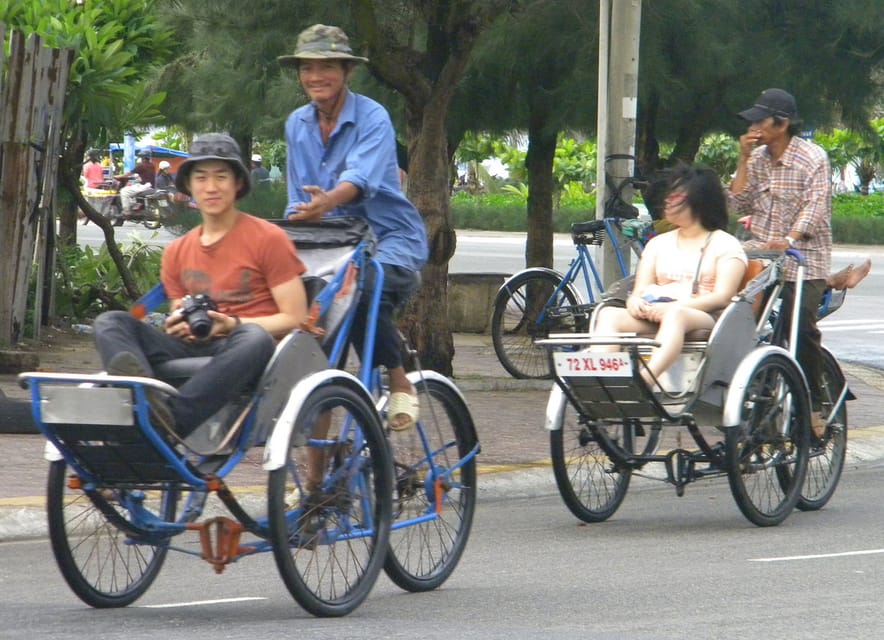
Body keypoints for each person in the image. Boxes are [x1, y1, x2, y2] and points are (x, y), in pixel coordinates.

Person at [93, 133, 308, 440]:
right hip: (192, 344)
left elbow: (295, 317)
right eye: (201, 177)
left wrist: (231, 324)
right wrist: (177, 322)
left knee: (255, 338)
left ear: (237, 184)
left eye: (221, 176)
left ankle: (172, 420)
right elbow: (180, 311)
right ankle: (143, 399)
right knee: (110, 322)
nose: (211, 187)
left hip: (245, 348)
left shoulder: (269, 239)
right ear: (189, 186)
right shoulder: (177, 251)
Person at [278, 24, 428, 431]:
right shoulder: (297, 123)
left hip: (389, 241)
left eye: (326, 66)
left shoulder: (372, 116)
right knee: (313, 351)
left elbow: (359, 177)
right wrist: (299, 216)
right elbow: (297, 198)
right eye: (307, 67)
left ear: (347, 71)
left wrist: (327, 201)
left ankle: (399, 381)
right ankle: (314, 486)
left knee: (360, 286)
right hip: (331, 247)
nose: (315, 76)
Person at [728, 88, 832, 437]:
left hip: (804, 260)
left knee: (799, 326)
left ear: (782, 123)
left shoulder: (813, 157)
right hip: (759, 256)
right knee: (733, 316)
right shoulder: (757, 160)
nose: (754, 126)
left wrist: (788, 240)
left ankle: (814, 403)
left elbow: (814, 209)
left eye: (760, 119)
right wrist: (743, 158)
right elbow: (737, 204)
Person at [593, 164, 747, 388]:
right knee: (608, 315)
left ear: (699, 201)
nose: (667, 201)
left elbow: (722, 297)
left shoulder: (725, 245)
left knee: (677, 316)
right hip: (655, 312)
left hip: (703, 316)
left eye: (675, 196)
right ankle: (604, 383)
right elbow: (641, 288)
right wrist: (635, 301)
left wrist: (675, 307)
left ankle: (643, 382)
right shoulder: (658, 243)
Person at [115, 152, 156, 217]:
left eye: (141, 158)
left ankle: (126, 210)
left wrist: (119, 176)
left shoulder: (141, 166)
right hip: (150, 186)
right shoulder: (152, 165)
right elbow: (144, 175)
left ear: (143, 158)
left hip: (144, 186)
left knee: (124, 191)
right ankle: (134, 205)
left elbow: (128, 174)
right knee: (132, 189)